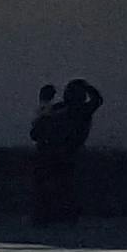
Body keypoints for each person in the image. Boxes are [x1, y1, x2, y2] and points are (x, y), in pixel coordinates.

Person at [28, 78, 101, 226]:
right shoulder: (64, 109)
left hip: (64, 153)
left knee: (61, 186)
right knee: (54, 186)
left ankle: (56, 216)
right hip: (53, 152)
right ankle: (48, 216)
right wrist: (44, 103)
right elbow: (37, 129)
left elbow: (97, 101)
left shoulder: (80, 111)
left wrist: (44, 104)